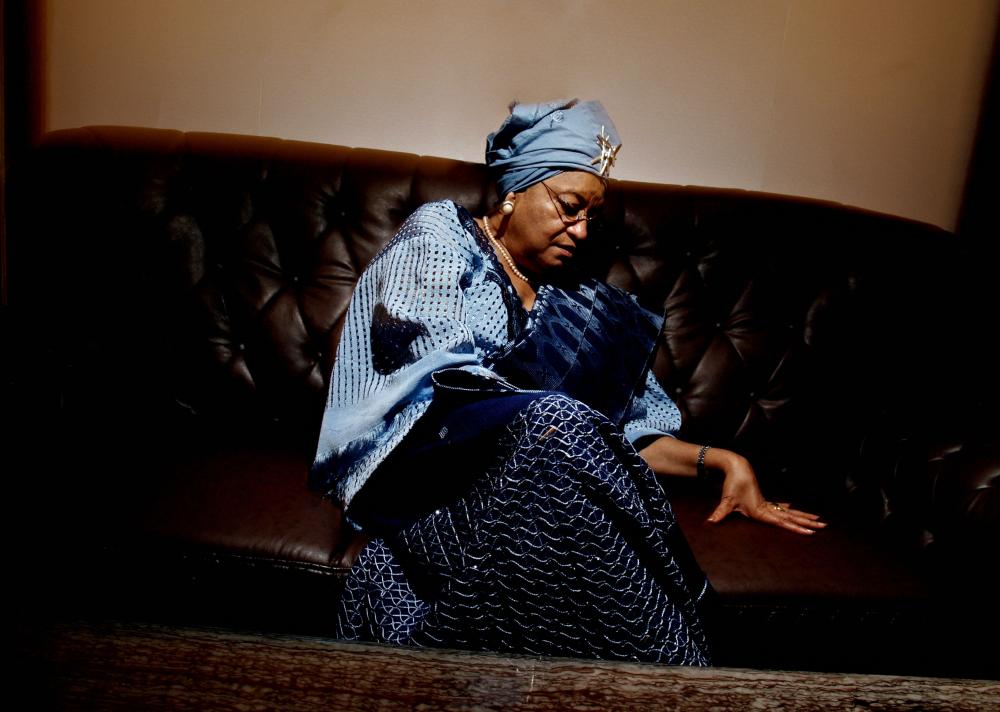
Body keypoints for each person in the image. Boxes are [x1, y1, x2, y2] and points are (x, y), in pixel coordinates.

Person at [310, 98, 824, 665]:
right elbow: (428, 385)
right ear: (517, 189)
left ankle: (680, 672)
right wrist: (545, 419)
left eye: (590, 217)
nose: (580, 230)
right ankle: (700, 656)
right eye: (569, 207)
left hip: (546, 493)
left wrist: (721, 461)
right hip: (424, 489)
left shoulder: (581, 302)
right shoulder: (440, 236)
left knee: (567, 435)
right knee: (560, 422)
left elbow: (622, 438)